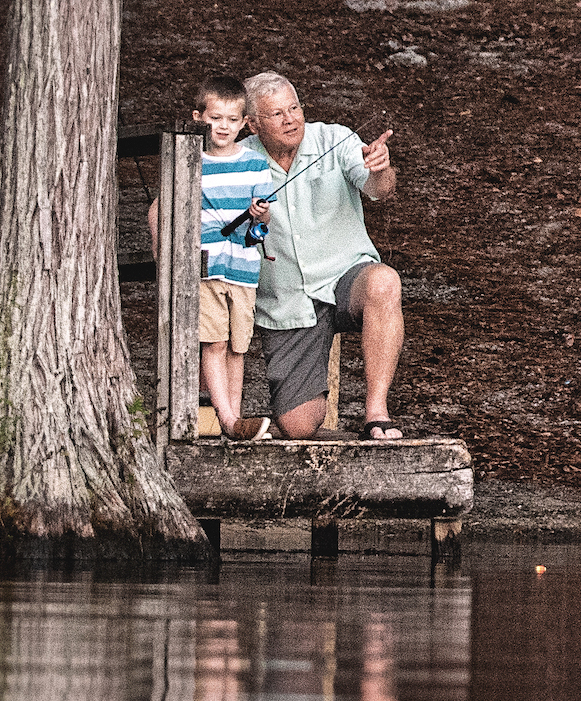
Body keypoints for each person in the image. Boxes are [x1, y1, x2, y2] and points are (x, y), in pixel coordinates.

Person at [243, 72, 407, 440]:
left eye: (295, 108)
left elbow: (380, 190)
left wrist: (380, 168)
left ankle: (376, 413)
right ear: (252, 124)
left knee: (384, 282)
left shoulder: (334, 138)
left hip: (345, 277)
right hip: (288, 301)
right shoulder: (240, 160)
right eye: (276, 114)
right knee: (298, 427)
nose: (291, 119)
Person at [147, 75, 274, 439]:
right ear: (199, 117)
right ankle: (229, 419)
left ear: (244, 123)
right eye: (216, 117)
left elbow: (264, 222)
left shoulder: (254, 164)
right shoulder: (191, 163)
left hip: (245, 270)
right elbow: (161, 211)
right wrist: (162, 255)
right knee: (214, 342)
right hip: (207, 268)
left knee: (237, 345)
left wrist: (260, 213)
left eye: (233, 120)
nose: (224, 126)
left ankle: (232, 423)